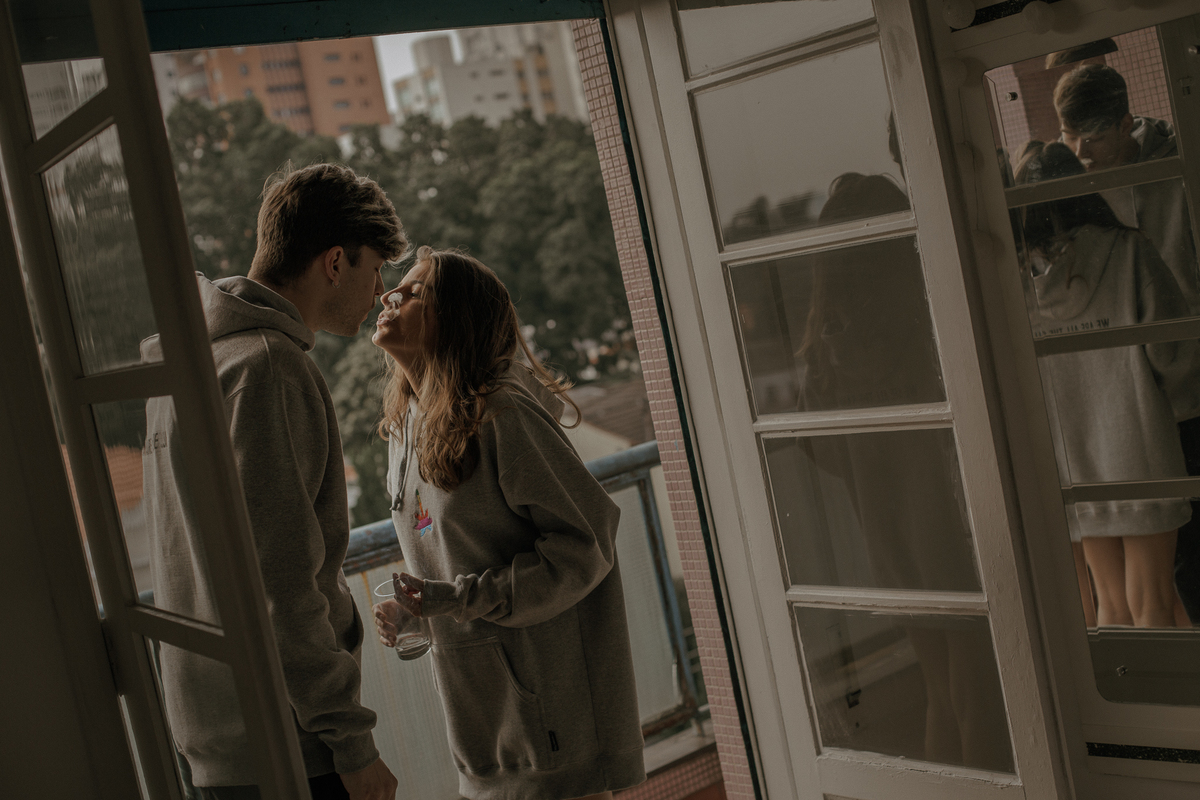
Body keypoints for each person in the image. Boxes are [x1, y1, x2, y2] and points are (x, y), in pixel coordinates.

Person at [142, 163, 406, 799]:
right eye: (376, 270)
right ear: (335, 262)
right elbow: (282, 583)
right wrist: (351, 742)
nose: (379, 292)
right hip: (289, 740)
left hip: (216, 733)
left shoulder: (193, 363)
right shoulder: (268, 366)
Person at [370, 246, 646, 800]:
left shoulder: (502, 414)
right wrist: (420, 608)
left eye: (414, 291)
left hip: (551, 738)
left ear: (455, 319)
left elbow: (587, 544)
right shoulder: (406, 428)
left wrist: (455, 599)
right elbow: (456, 553)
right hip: (482, 736)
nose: (388, 295)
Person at [1012, 141, 1193, 628]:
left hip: (1075, 462)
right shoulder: (1129, 251)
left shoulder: (1016, 280)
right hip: (1141, 448)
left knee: (1110, 606)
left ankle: (1128, 683)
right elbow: (1173, 354)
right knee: (1154, 603)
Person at [1053, 63, 1200, 624]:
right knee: (1162, 577)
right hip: (1128, 404)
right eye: (1069, 137)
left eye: (1093, 138)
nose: (1081, 153)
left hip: (1186, 389)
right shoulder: (1069, 188)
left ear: (1125, 123)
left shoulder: (1177, 170)